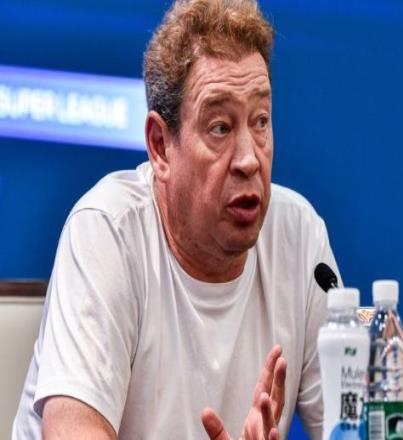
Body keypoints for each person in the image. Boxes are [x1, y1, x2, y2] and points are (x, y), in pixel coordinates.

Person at [13, 0, 341, 438]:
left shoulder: (299, 239)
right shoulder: (108, 232)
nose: (249, 159)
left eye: (261, 121)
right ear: (160, 146)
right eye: (220, 127)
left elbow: (355, 425)